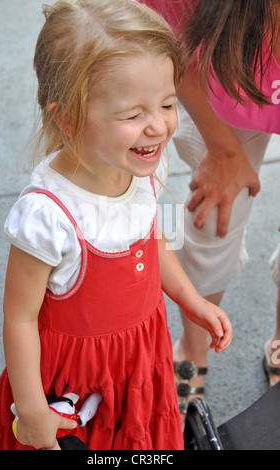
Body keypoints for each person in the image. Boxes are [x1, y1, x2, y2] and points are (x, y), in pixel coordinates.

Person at [0, 0, 232, 451]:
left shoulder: (138, 170)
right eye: (134, 115)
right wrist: (33, 408)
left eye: (169, 104)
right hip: (71, 381)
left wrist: (189, 299)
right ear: (68, 117)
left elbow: (151, 242)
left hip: (139, 363)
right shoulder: (49, 216)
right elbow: (18, 318)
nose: (158, 125)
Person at [139, 0, 280, 412]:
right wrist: (221, 147)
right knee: (214, 217)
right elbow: (164, 34)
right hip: (221, 73)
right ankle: (193, 349)